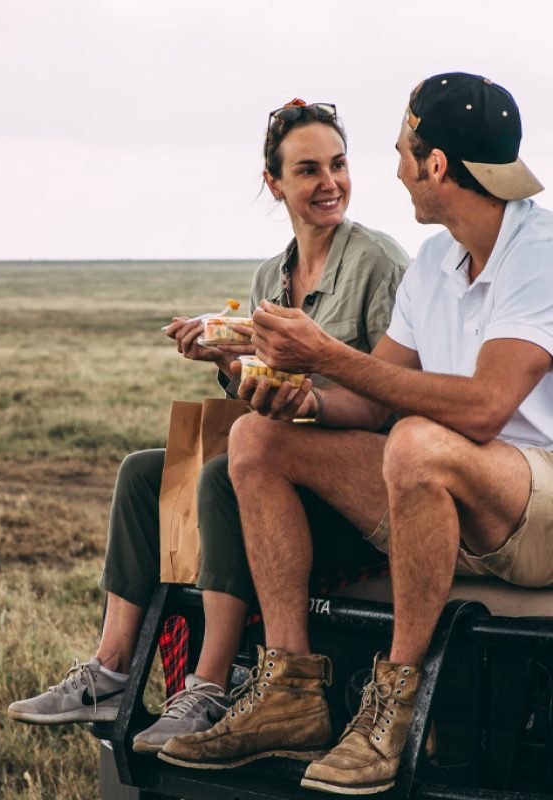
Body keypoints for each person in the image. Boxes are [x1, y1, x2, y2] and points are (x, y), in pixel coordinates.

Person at [156, 72, 553, 795]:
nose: (395, 170)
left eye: (403, 152)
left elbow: (486, 409)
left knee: (418, 442)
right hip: (443, 487)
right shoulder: (434, 260)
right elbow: (370, 403)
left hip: (533, 502)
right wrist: (296, 391)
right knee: (255, 440)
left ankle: (392, 708)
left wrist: (328, 354)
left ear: (436, 165)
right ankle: (290, 691)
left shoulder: (540, 251)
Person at [7, 99, 408, 749]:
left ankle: (208, 686)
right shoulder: (270, 277)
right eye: (308, 169)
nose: (330, 182)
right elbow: (262, 396)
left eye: (338, 164)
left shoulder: (379, 262)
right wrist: (227, 359)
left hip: (348, 488)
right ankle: (110, 671)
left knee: (221, 475)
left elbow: (390, 392)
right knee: (143, 474)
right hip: (278, 466)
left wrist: (297, 392)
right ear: (273, 183)